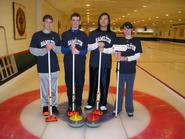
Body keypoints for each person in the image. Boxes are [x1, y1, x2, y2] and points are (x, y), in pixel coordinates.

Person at [29, 14, 61, 116]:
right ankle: (45, 105)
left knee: (54, 88)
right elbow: (32, 50)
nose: (48, 24)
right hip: (42, 66)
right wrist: (45, 49)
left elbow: (60, 50)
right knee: (44, 88)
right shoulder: (37, 35)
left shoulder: (55, 35)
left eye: (50, 22)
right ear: (43, 23)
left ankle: (54, 105)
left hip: (54, 66)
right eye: (47, 22)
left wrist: (53, 47)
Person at [85, 12, 116, 111]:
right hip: (94, 62)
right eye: (101, 18)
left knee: (104, 84)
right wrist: (97, 44)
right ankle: (91, 101)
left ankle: (103, 102)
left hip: (106, 63)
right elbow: (88, 47)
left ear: (108, 21)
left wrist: (104, 50)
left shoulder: (112, 34)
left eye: (105, 19)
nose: (103, 20)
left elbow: (114, 49)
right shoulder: (93, 33)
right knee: (93, 83)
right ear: (99, 20)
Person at [113, 22, 142, 117]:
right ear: (123, 30)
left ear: (132, 30)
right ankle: (117, 108)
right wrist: (116, 55)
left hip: (131, 70)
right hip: (120, 70)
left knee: (129, 90)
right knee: (119, 90)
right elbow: (115, 52)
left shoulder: (136, 41)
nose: (126, 31)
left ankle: (129, 109)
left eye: (128, 29)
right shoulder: (119, 40)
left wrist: (125, 58)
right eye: (125, 29)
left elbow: (137, 56)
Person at [61, 13, 88, 113]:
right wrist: (69, 48)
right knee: (69, 85)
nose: (75, 22)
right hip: (68, 64)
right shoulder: (65, 34)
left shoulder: (84, 35)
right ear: (70, 21)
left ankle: (77, 104)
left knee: (79, 85)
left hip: (80, 65)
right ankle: (70, 104)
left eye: (77, 20)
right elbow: (62, 50)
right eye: (73, 20)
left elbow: (85, 50)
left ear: (80, 22)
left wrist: (78, 52)